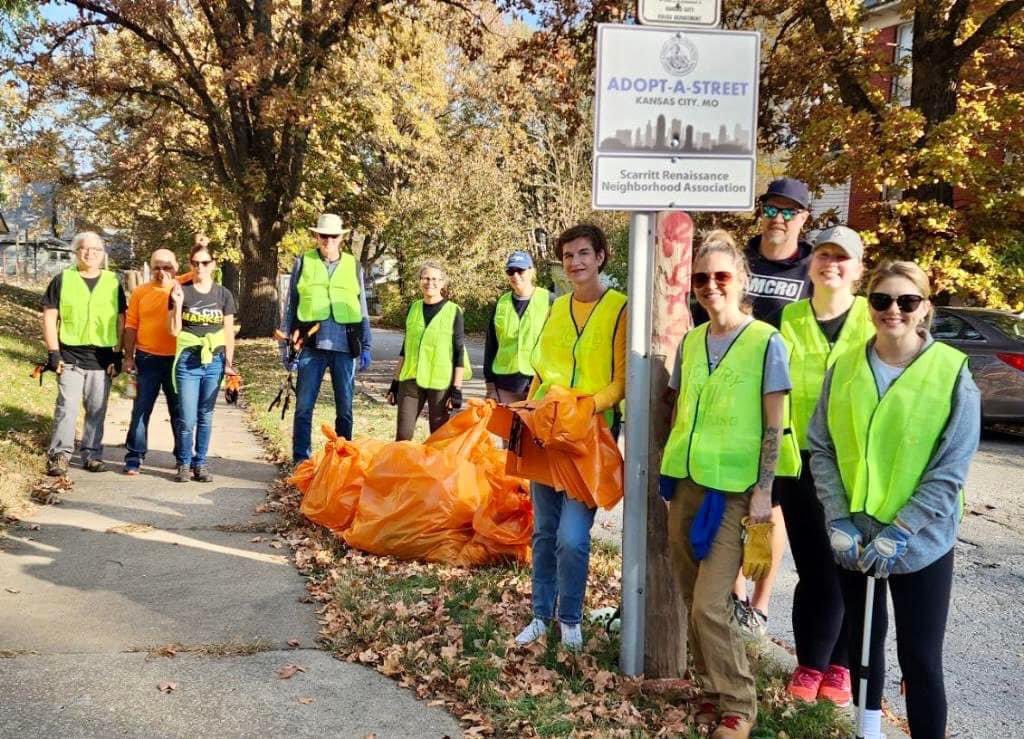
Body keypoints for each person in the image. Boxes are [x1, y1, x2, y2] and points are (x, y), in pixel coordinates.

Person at [809, 260, 980, 739]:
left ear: (924, 308)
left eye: (907, 302)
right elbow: (821, 445)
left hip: (919, 543)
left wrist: (903, 530)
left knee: (921, 659)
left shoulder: (951, 373)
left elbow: (951, 468)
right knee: (864, 647)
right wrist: (837, 516)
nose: (894, 311)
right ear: (869, 306)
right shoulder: (844, 368)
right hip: (855, 539)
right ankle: (868, 731)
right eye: (882, 300)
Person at [659, 230, 794, 739]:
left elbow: (774, 425)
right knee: (692, 592)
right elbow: (677, 407)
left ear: (741, 280)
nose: (710, 286)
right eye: (700, 278)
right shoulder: (692, 340)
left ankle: (739, 704)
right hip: (687, 482)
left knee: (710, 603)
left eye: (720, 276)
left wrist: (763, 492)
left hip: (737, 489)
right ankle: (712, 691)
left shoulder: (765, 342)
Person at [678, 176, 815, 638]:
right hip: (728, 393)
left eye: (788, 211)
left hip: (780, 399)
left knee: (767, 511)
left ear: (803, 218)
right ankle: (733, 598)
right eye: (771, 209)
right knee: (729, 530)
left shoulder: (811, 268)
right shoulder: (742, 256)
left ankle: (758, 605)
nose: (777, 218)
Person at [513, 224, 627, 652]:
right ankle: (540, 616)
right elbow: (543, 372)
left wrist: (584, 408)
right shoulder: (556, 308)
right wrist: (527, 413)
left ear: (600, 256)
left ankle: (571, 619)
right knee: (543, 532)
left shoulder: (619, 308)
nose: (575, 262)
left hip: (589, 437)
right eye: (568, 256)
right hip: (546, 431)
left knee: (572, 537)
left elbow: (620, 383)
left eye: (583, 253)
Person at [775, 226, 874, 706]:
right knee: (814, 566)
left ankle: (834, 665)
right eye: (823, 255)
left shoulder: (874, 321)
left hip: (857, 467)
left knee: (847, 566)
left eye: (842, 258)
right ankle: (810, 660)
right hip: (800, 466)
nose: (830, 264)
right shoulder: (788, 319)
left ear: (857, 270)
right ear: (811, 263)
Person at [282, 213, 372, 462]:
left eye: (333, 236)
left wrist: (366, 345)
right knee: (303, 408)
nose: (328, 240)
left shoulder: (353, 265)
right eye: (323, 235)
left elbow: (361, 306)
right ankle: (301, 459)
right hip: (311, 347)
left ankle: (343, 459)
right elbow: (292, 306)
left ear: (340, 238)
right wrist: (287, 347)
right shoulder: (303, 262)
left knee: (345, 409)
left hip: (345, 346)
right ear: (316, 236)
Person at [42, 232, 126, 476]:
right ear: (76, 252)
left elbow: (121, 321)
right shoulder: (63, 280)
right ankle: (59, 455)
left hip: (102, 359)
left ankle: (91, 454)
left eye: (95, 249)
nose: (89, 253)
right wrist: (53, 353)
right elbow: (49, 317)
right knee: (67, 408)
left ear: (103, 254)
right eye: (84, 249)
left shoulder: (112, 282)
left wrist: (117, 355)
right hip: (70, 357)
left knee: (97, 409)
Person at [168, 241, 238, 483]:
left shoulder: (223, 294)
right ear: (191, 264)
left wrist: (229, 363)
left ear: (213, 265)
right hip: (188, 360)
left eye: (205, 262)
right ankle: (184, 463)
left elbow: (228, 332)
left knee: (206, 414)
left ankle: (201, 463)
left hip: (214, 361)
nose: (200, 267)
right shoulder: (181, 291)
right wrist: (177, 305)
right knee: (187, 416)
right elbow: (175, 331)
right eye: (196, 263)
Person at [387, 260, 468, 440]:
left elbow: (459, 353)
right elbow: (405, 349)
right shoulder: (413, 308)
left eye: (435, 279)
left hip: (440, 382)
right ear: (419, 281)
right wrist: (395, 383)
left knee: (439, 438)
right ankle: (401, 468)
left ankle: (437, 469)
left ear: (442, 283)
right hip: (410, 379)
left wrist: (456, 389)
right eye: (425, 278)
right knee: (402, 436)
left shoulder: (453, 311)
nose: (430, 283)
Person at [122, 249, 183, 475]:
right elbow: (131, 325)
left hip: (177, 360)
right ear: (150, 268)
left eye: (167, 267)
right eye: (157, 267)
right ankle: (134, 455)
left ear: (176, 267)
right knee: (141, 409)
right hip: (147, 358)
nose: (162, 271)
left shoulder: (182, 289)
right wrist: (129, 357)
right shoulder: (140, 292)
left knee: (179, 410)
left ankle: (182, 456)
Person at [484, 251, 550, 404]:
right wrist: (490, 386)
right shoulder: (501, 303)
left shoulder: (549, 300)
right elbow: (491, 346)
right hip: (506, 384)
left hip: (540, 381)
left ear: (532, 271)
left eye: (520, 270)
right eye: (510, 271)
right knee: (506, 427)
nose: (515, 275)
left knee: (535, 428)